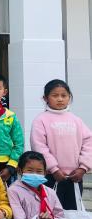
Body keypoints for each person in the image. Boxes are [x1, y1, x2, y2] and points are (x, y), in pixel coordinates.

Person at [30, 79, 92, 210]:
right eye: (55, 95)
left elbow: (88, 143)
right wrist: (54, 169)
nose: (60, 99)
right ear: (45, 98)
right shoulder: (41, 120)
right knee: (52, 212)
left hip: (75, 177)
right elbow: (39, 146)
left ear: (69, 97)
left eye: (64, 95)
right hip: (51, 177)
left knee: (74, 213)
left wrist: (83, 168)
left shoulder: (76, 120)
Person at [8, 151, 64, 219]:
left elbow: (60, 217)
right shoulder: (14, 190)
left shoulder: (50, 192)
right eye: (30, 170)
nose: (34, 174)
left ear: (45, 173)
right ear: (20, 170)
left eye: (39, 171)